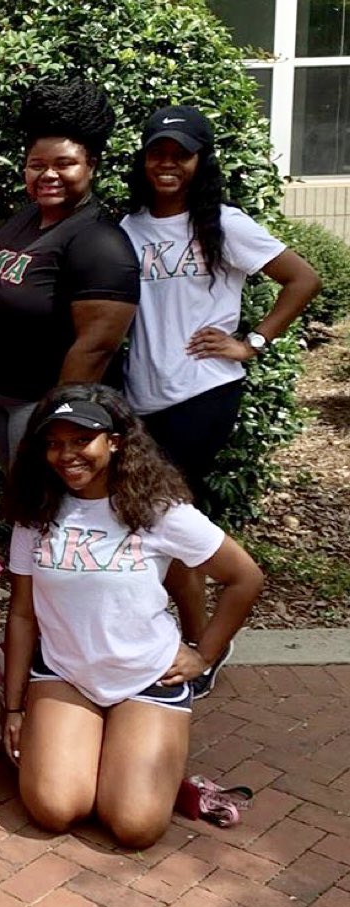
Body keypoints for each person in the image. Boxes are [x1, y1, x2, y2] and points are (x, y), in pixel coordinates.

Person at [3, 385, 264, 849]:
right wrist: (15, 707)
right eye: (54, 443)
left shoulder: (159, 511)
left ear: (115, 441)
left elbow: (245, 579)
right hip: (66, 673)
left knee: (135, 825)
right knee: (54, 808)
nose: (67, 454)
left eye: (82, 439)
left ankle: (141, 760)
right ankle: (97, 747)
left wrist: (204, 653)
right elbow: (22, 615)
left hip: (146, 674)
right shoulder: (36, 511)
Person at [120, 106, 320, 689]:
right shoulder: (129, 229)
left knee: (171, 521)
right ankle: (175, 635)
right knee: (154, 521)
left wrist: (251, 341)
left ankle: (201, 646)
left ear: (200, 160)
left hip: (203, 394)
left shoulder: (223, 224)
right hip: (142, 398)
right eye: (158, 151)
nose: (167, 163)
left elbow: (302, 278)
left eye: (180, 153)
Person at [0, 80, 140, 470]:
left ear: (91, 166)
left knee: (41, 503)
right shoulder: (24, 220)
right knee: (21, 501)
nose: (49, 175)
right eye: (37, 165)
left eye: (64, 164)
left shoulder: (100, 242)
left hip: (41, 405)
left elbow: (96, 347)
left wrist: (57, 422)